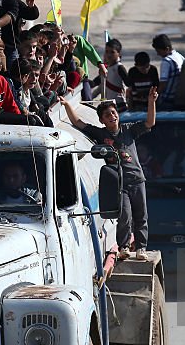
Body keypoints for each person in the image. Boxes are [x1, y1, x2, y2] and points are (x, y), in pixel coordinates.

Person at [62, 87, 158, 260]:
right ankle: (125, 246)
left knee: (141, 215)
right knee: (125, 215)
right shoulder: (100, 134)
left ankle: (141, 248)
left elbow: (150, 122)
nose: (112, 117)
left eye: (114, 113)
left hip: (137, 180)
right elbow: (78, 123)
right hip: (119, 183)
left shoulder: (129, 130)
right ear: (102, 120)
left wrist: (151, 102)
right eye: (107, 116)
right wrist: (67, 105)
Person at [152, 34, 184, 108]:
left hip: (167, 100)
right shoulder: (179, 56)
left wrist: (155, 96)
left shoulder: (166, 61)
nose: (158, 54)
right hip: (179, 97)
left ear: (166, 49)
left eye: (159, 51)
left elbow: (163, 84)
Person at [93, 38, 128, 105]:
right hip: (108, 105)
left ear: (118, 53)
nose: (109, 55)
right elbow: (96, 82)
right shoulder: (106, 68)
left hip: (119, 104)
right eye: (107, 51)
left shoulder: (119, 68)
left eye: (112, 52)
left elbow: (128, 83)